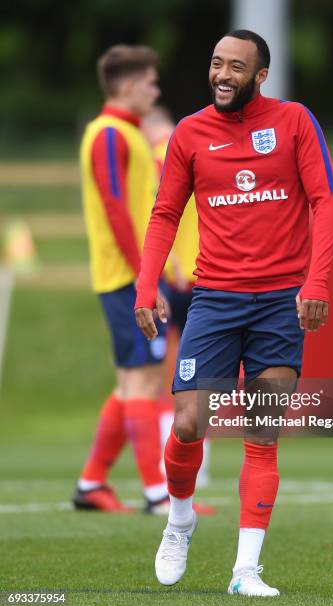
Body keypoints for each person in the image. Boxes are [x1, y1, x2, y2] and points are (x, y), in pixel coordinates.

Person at [135, 30, 333, 596]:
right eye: (216, 64)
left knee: (262, 432)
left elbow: (325, 200)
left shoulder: (296, 121)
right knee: (186, 423)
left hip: (280, 302)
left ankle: (245, 571)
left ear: (260, 75)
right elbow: (164, 213)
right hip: (216, 299)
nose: (223, 75)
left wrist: (316, 282)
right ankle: (180, 520)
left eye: (236, 67)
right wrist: (146, 285)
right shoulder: (190, 132)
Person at [74, 45, 170, 514]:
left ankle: (92, 484)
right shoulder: (109, 135)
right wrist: (142, 280)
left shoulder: (127, 135)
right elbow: (116, 209)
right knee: (142, 384)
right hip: (125, 278)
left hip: (132, 276)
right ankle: (157, 494)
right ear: (129, 85)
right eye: (151, 82)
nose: (156, 90)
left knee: (131, 384)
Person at [141, 107, 211, 489]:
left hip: (176, 277)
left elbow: (152, 216)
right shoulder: (205, 146)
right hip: (208, 273)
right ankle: (201, 466)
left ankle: (167, 466)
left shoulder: (160, 155)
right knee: (208, 375)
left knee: (163, 376)